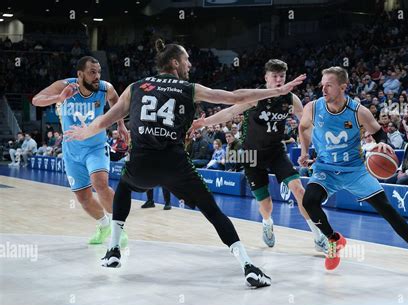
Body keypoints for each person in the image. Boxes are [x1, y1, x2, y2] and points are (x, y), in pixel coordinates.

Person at [65, 39, 306, 287]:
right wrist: (277, 91)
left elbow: (106, 119)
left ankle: (114, 248)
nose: (190, 64)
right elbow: (234, 97)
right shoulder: (189, 88)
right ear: (175, 62)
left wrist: (87, 131)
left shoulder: (136, 87)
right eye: (187, 60)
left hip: (142, 164)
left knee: (124, 187)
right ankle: (247, 264)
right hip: (176, 165)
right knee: (213, 211)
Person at [298, 66, 408, 278]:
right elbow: (302, 128)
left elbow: (379, 134)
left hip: (355, 169)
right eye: (322, 85)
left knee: (387, 209)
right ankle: (333, 239)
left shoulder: (359, 112)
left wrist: (382, 145)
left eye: (329, 85)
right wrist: (304, 151)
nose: (323, 89)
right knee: (309, 201)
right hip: (325, 169)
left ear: (343, 87)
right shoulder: (313, 107)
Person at [192, 59, 329, 253]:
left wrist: (315, 147)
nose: (279, 80)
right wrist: (204, 122)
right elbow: (230, 112)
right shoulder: (255, 97)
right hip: (251, 155)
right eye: (275, 76)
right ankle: (267, 222)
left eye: (282, 76)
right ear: (266, 78)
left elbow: (305, 124)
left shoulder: (291, 99)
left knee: (299, 190)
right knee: (267, 205)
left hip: (276, 151)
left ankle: (318, 236)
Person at [32, 56, 129, 246]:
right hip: (72, 151)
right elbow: (37, 100)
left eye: (99, 72)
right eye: (92, 72)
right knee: (83, 197)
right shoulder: (65, 86)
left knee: (100, 183)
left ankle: (119, 228)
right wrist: (59, 98)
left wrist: (121, 125)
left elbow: (116, 102)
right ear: (80, 74)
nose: (97, 76)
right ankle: (104, 225)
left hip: (96, 147)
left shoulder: (104, 87)